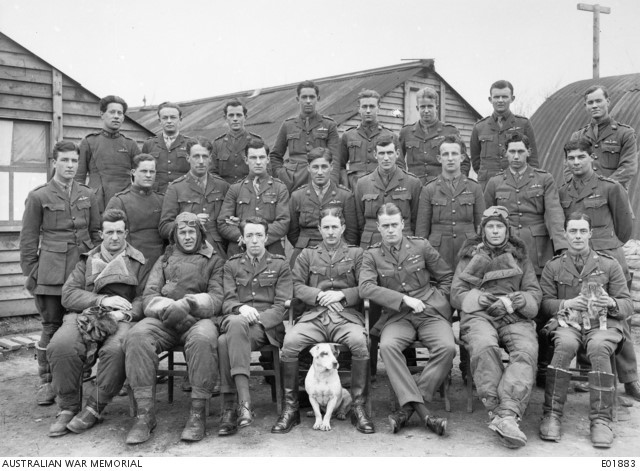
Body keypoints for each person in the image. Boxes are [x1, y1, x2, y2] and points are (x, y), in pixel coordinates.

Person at [46, 209, 149, 437]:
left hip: (122, 318)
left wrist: (124, 315)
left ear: (126, 233)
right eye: (109, 232)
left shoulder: (138, 261)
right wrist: (102, 299)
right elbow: (69, 294)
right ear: (101, 234)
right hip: (85, 314)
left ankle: (95, 406)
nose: (114, 237)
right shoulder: (87, 260)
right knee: (61, 345)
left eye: (119, 232)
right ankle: (68, 407)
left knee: (117, 349)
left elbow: (145, 297)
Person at [124, 212, 224, 444]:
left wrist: (188, 305)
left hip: (197, 320)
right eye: (183, 232)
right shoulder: (164, 260)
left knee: (203, 338)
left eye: (192, 232)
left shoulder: (214, 260)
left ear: (199, 234)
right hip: (164, 319)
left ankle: (198, 414)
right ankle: (144, 415)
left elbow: (217, 298)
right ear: (176, 236)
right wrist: (172, 309)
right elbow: (149, 296)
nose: (188, 237)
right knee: (137, 335)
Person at [272, 208, 374, 434]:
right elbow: (295, 285)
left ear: (343, 228)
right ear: (319, 229)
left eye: (334, 227)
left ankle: (358, 408)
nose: (330, 232)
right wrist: (318, 296)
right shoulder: (307, 255)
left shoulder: (358, 254)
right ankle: (291, 409)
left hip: (345, 316)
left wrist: (342, 295)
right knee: (290, 343)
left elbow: (367, 285)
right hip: (314, 316)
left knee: (359, 341)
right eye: (325, 227)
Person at [359, 203, 453, 437]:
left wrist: (435, 299)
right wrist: (402, 299)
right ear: (378, 228)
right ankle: (423, 413)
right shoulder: (371, 255)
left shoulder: (421, 246)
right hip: (397, 316)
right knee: (388, 346)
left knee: (447, 347)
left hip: (429, 311)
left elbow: (447, 277)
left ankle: (407, 409)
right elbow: (365, 288)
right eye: (385, 226)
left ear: (402, 225)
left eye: (394, 225)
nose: (390, 230)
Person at [450, 206, 541, 449]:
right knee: (484, 346)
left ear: (507, 230)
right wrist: (478, 298)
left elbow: (534, 291)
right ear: (483, 230)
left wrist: (516, 300)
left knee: (526, 350)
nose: (495, 231)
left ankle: (507, 414)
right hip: (480, 315)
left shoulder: (520, 257)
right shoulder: (470, 256)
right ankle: (499, 410)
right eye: (490, 226)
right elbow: (456, 293)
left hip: (513, 314)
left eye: (499, 226)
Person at [538, 213, 631, 448]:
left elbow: (627, 303)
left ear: (590, 233)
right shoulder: (554, 266)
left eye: (582, 231)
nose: (577, 236)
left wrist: (610, 303)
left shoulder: (609, 264)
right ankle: (552, 414)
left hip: (603, 325)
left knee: (599, 347)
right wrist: (566, 304)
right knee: (565, 344)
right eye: (573, 231)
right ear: (566, 234)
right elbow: (544, 303)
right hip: (568, 323)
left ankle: (601, 419)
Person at [19, 140, 101, 406]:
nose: (70, 166)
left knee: (83, 325)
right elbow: (28, 240)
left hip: (82, 273)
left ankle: (77, 375)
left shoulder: (88, 194)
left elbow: (96, 232)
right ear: (54, 163)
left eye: (74, 161)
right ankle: (46, 381)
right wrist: (33, 274)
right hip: (51, 274)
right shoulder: (39, 196)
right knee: (51, 326)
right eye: (64, 160)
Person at [559, 137, 640, 401]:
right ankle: (589, 371)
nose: (576, 162)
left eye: (581, 157)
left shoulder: (610, 187)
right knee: (583, 311)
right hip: (579, 257)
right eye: (571, 158)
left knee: (617, 315)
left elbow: (625, 224)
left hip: (608, 256)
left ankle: (629, 379)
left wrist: (611, 246)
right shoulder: (564, 190)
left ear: (592, 157)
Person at [217, 217, 293, 436]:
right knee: (227, 335)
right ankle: (242, 406)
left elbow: (282, 306)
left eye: (259, 235)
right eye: (249, 235)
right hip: (237, 323)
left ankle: (232, 408)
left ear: (267, 238)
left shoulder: (280, 264)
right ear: (242, 238)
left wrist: (258, 318)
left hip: (266, 329)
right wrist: (240, 309)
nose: (255, 240)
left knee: (225, 339)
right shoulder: (232, 265)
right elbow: (227, 301)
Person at [484, 133, 566, 275]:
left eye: (520, 151)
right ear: (505, 153)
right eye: (512, 152)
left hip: (538, 247)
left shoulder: (544, 179)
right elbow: (485, 218)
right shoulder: (495, 182)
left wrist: (562, 247)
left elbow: (554, 215)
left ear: (529, 152)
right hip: (506, 247)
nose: (516, 156)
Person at [415, 135, 485, 269]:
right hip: (438, 254)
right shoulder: (429, 189)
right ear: (439, 159)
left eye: (454, 153)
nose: (450, 158)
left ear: (462, 157)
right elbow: (421, 233)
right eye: (445, 154)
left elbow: (481, 227)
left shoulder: (474, 188)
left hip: (468, 252)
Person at [159, 136, 230, 257]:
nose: (201, 161)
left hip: (217, 251)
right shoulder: (175, 188)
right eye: (196, 156)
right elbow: (164, 228)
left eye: (205, 156)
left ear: (210, 159)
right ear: (188, 158)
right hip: (188, 253)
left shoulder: (222, 186)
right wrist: (190, 221)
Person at [218, 137, 290, 256]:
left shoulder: (279, 188)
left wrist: (260, 238)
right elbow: (223, 223)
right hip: (240, 249)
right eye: (253, 157)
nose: (258, 162)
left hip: (270, 250)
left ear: (268, 159)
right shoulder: (235, 189)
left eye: (261, 157)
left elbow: (283, 222)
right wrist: (245, 238)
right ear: (246, 160)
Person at [288, 147, 358, 265]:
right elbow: (292, 232)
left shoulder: (344, 196)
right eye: (315, 167)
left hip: (337, 252)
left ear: (331, 167)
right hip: (305, 251)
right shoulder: (297, 196)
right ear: (308, 168)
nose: (320, 172)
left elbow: (351, 233)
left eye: (324, 167)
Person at [269, 80, 340, 191]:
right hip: (292, 182)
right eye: (304, 97)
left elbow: (335, 158)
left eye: (312, 97)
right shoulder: (288, 125)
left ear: (318, 98)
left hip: (319, 179)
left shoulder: (329, 125)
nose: (308, 101)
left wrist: (332, 184)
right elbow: (275, 156)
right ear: (298, 99)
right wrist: (281, 175)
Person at [75, 95, 141, 212]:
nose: (116, 116)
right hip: (96, 203)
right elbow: (79, 178)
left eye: (120, 113)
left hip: (125, 202)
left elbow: (139, 178)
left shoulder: (131, 145)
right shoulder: (89, 142)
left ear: (123, 117)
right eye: (112, 112)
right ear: (102, 114)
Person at [354, 138, 422, 249]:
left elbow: (416, 219)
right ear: (375, 155)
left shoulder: (412, 182)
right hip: (371, 244)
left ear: (397, 154)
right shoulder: (362, 183)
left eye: (390, 153)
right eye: (381, 153)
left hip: (403, 244)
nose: (386, 158)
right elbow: (359, 221)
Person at [470, 80, 538, 190]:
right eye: (496, 97)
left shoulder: (523, 124)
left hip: (517, 184)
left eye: (504, 97)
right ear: (490, 99)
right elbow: (476, 162)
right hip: (487, 186)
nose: (500, 100)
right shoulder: (479, 127)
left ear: (512, 98)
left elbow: (533, 159)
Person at [568, 85, 638, 189]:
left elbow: (628, 167)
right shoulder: (578, 136)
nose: (594, 106)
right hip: (585, 197)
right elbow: (568, 169)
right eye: (590, 102)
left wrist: (603, 187)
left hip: (614, 196)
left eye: (598, 101)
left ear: (608, 102)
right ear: (585, 106)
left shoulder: (625, 133)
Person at [335, 89, 403, 190]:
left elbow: (400, 167)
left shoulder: (391, 136)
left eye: (371, 106)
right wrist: (346, 186)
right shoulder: (348, 135)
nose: (368, 110)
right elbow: (339, 166)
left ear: (378, 108)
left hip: (382, 187)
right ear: (359, 109)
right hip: (355, 187)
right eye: (364, 107)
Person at [105, 154, 165, 267]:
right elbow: (109, 239)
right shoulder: (119, 201)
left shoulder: (162, 200)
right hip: (131, 263)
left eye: (152, 172)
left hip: (159, 264)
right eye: (144, 171)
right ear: (133, 172)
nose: (148, 175)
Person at [400, 86, 464, 184]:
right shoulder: (406, 132)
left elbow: (464, 162)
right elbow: (399, 162)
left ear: (437, 107)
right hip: (415, 186)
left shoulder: (450, 131)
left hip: (441, 186)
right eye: (422, 107)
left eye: (430, 106)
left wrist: (456, 183)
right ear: (417, 108)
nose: (426, 110)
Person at [141, 102, 191, 193]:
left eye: (173, 117)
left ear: (180, 120)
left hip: (182, 194)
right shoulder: (149, 144)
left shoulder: (190, 144)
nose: (169, 121)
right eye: (165, 118)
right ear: (159, 121)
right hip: (156, 194)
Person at [211, 98, 263, 184]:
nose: (235, 119)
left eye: (239, 115)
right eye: (231, 115)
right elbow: (212, 173)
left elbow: (265, 170)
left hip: (250, 191)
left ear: (245, 117)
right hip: (226, 193)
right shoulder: (217, 144)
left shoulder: (257, 141)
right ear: (225, 118)